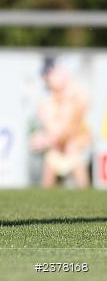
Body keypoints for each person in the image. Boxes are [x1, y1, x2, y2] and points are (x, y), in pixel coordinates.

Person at [30, 57, 92, 188]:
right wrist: (48, 139)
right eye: (51, 74)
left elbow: (77, 128)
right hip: (57, 151)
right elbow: (55, 133)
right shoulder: (46, 104)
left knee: (84, 189)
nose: (55, 77)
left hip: (75, 149)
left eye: (56, 72)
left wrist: (46, 139)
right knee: (47, 185)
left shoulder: (78, 95)